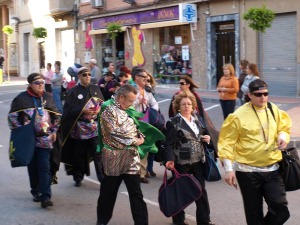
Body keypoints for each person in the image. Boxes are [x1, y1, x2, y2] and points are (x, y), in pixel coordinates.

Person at [218, 79, 292, 225]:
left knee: (281, 209)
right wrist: (228, 169)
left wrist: (283, 137)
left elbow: (283, 127)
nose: (263, 97)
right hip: (247, 172)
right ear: (250, 95)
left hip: (272, 168)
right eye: (258, 94)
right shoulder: (238, 115)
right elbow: (227, 142)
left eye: (265, 94)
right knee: (253, 214)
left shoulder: (273, 109)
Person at [96, 84, 164, 225]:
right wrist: (136, 141)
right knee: (108, 194)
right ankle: (102, 221)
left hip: (131, 158)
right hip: (114, 159)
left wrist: (140, 136)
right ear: (121, 97)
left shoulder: (127, 109)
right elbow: (114, 134)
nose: (132, 104)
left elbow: (134, 126)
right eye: (130, 101)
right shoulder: (108, 110)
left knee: (136, 194)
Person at [8, 73, 61, 208]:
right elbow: (12, 117)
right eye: (37, 83)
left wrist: (54, 131)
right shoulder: (21, 99)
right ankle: (35, 190)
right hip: (29, 140)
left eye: (42, 82)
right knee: (32, 167)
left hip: (45, 139)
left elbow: (56, 116)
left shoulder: (48, 97)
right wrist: (22, 130)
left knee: (44, 166)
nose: (41, 85)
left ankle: (45, 196)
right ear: (30, 84)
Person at [164, 91, 216, 225]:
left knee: (201, 192)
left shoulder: (197, 119)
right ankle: (178, 221)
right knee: (180, 193)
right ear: (178, 106)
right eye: (183, 104)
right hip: (181, 163)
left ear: (193, 106)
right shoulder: (173, 122)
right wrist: (169, 159)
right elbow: (168, 144)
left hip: (198, 161)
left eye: (189, 104)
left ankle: (204, 221)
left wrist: (208, 139)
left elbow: (202, 135)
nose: (187, 106)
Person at [60, 67, 104, 187]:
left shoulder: (95, 88)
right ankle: (78, 176)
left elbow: (102, 103)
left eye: (89, 74)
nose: (88, 76)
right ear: (79, 76)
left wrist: (99, 109)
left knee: (98, 153)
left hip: (94, 128)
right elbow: (68, 110)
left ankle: (102, 178)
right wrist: (82, 110)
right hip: (79, 129)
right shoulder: (73, 91)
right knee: (79, 154)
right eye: (84, 75)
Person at [168, 75, 219, 151]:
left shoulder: (194, 96)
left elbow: (200, 113)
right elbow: (171, 112)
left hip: (193, 122)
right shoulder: (176, 95)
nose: (180, 85)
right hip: (180, 123)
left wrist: (205, 133)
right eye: (179, 83)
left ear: (188, 85)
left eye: (182, 83)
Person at [132, 66, 159, 184]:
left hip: (146, 121)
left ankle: (142, 173)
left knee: (145, 147)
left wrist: (151, 111)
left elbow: (154, 103)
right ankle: (133, 172)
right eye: (143, 77)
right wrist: (138, 101)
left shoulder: (147, 90)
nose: (146, 79)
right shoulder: (130, 89)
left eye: (147, 78)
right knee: (134, 147)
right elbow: (125, 104)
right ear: (136, 77)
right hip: (134, 121)